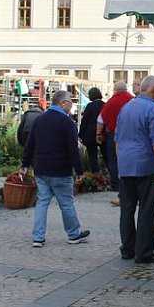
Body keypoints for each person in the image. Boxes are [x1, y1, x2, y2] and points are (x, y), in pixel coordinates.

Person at [22, 90, 90, 248]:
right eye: (71, 102)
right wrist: (79, 171)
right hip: (60, 169)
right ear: (63, 103)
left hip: (41, 168)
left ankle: (38, 237)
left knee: (42, 202)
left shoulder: (40, 120)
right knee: (66, 203)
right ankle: (73, 234)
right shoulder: (67, 123)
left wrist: (25, 164)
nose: (72, 105)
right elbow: (73, 150)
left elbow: (30, 144)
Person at [115, 76, 154, 264]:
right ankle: (144, 252)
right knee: (147, 209)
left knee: (127, 209)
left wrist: (121, 164)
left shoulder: (126, 107)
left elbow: (117, 140)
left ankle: (127, 248)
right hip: (146, 165)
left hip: (126, 164)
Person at [97, 81, 134, 205]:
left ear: (116, 90)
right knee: (127, 160)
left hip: (113, 134)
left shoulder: (111, 102)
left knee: (113, 159)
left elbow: (100, 119)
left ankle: (115, 184)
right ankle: (129, 186)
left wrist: (98, 134)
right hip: (130, 135)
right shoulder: (132, 100)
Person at [78, 88, 105, 173]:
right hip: (102, 134)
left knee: (93, 158)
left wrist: (80, 135)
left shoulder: (90, 106)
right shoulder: (105, 105)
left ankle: (96, 175)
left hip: (90, 136)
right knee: (106, 156)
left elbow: (84, 121)